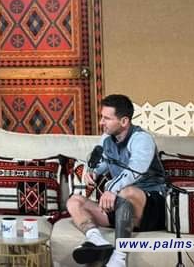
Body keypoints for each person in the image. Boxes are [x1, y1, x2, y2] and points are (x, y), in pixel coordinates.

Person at [67, 94, 166, 267]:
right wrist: (93, 172)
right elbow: (102, 161)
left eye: (107, 118)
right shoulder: (107, 138)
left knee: (127, 192)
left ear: (124, 121)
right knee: (74, 201)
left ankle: (119, 258)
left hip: (150, 207)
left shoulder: (142, 139)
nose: (101, 122)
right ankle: (97, 241)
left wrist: (111, 189)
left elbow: (135, 171)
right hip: (121, 207)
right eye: (102, 117)